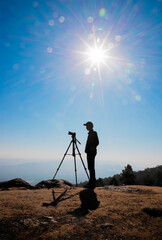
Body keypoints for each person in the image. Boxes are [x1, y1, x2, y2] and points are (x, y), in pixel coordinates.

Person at [83, 121, 99, 189]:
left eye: (87, 126)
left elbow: (97, 142)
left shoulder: (93, 133)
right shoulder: (90, 133)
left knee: (91, 167)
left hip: (91, 153)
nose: (86, 127)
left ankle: (92, 183)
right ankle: (91, 182)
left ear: (90, 126)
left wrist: (91, 148)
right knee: (90, 167)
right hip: (90, 152)